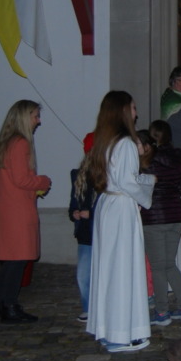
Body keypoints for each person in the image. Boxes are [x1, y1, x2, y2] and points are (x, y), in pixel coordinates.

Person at [82, 91, 156, 353]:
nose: (136, 113)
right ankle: (121, 334)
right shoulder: (124, 143)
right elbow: (127, 182)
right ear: (123, 111)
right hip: (121, 208)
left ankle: (107, 328)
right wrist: (147, 189)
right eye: (133, 108)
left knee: (109, 268)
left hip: (108, 205)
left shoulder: (105, 141)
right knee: (123, 269)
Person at [0, 100, 52, 324]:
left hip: (9, 207)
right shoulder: (20, 143)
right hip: (17, 210)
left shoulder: (8, 142)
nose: (38, 120)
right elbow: (22, 179)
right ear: (25, 117)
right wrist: (43, 180)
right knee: (17, 260)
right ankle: (9, 306)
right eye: (35, 116)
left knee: (11, 260)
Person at [140, 120, 181, 326]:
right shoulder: (177, 156)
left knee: (158, 267)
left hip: (154, 217)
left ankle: (162, 311)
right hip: (174, 215)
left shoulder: (147, 161)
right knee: (169, 264)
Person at [69, 135, 96, 323]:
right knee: (83, 274)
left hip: (100, 231)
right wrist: (74, 213)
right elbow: (72, 202)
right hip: (85, 233)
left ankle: (99, 306)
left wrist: (91, 213)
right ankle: (87, 307)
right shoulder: (78, 176)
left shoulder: (107, 175)